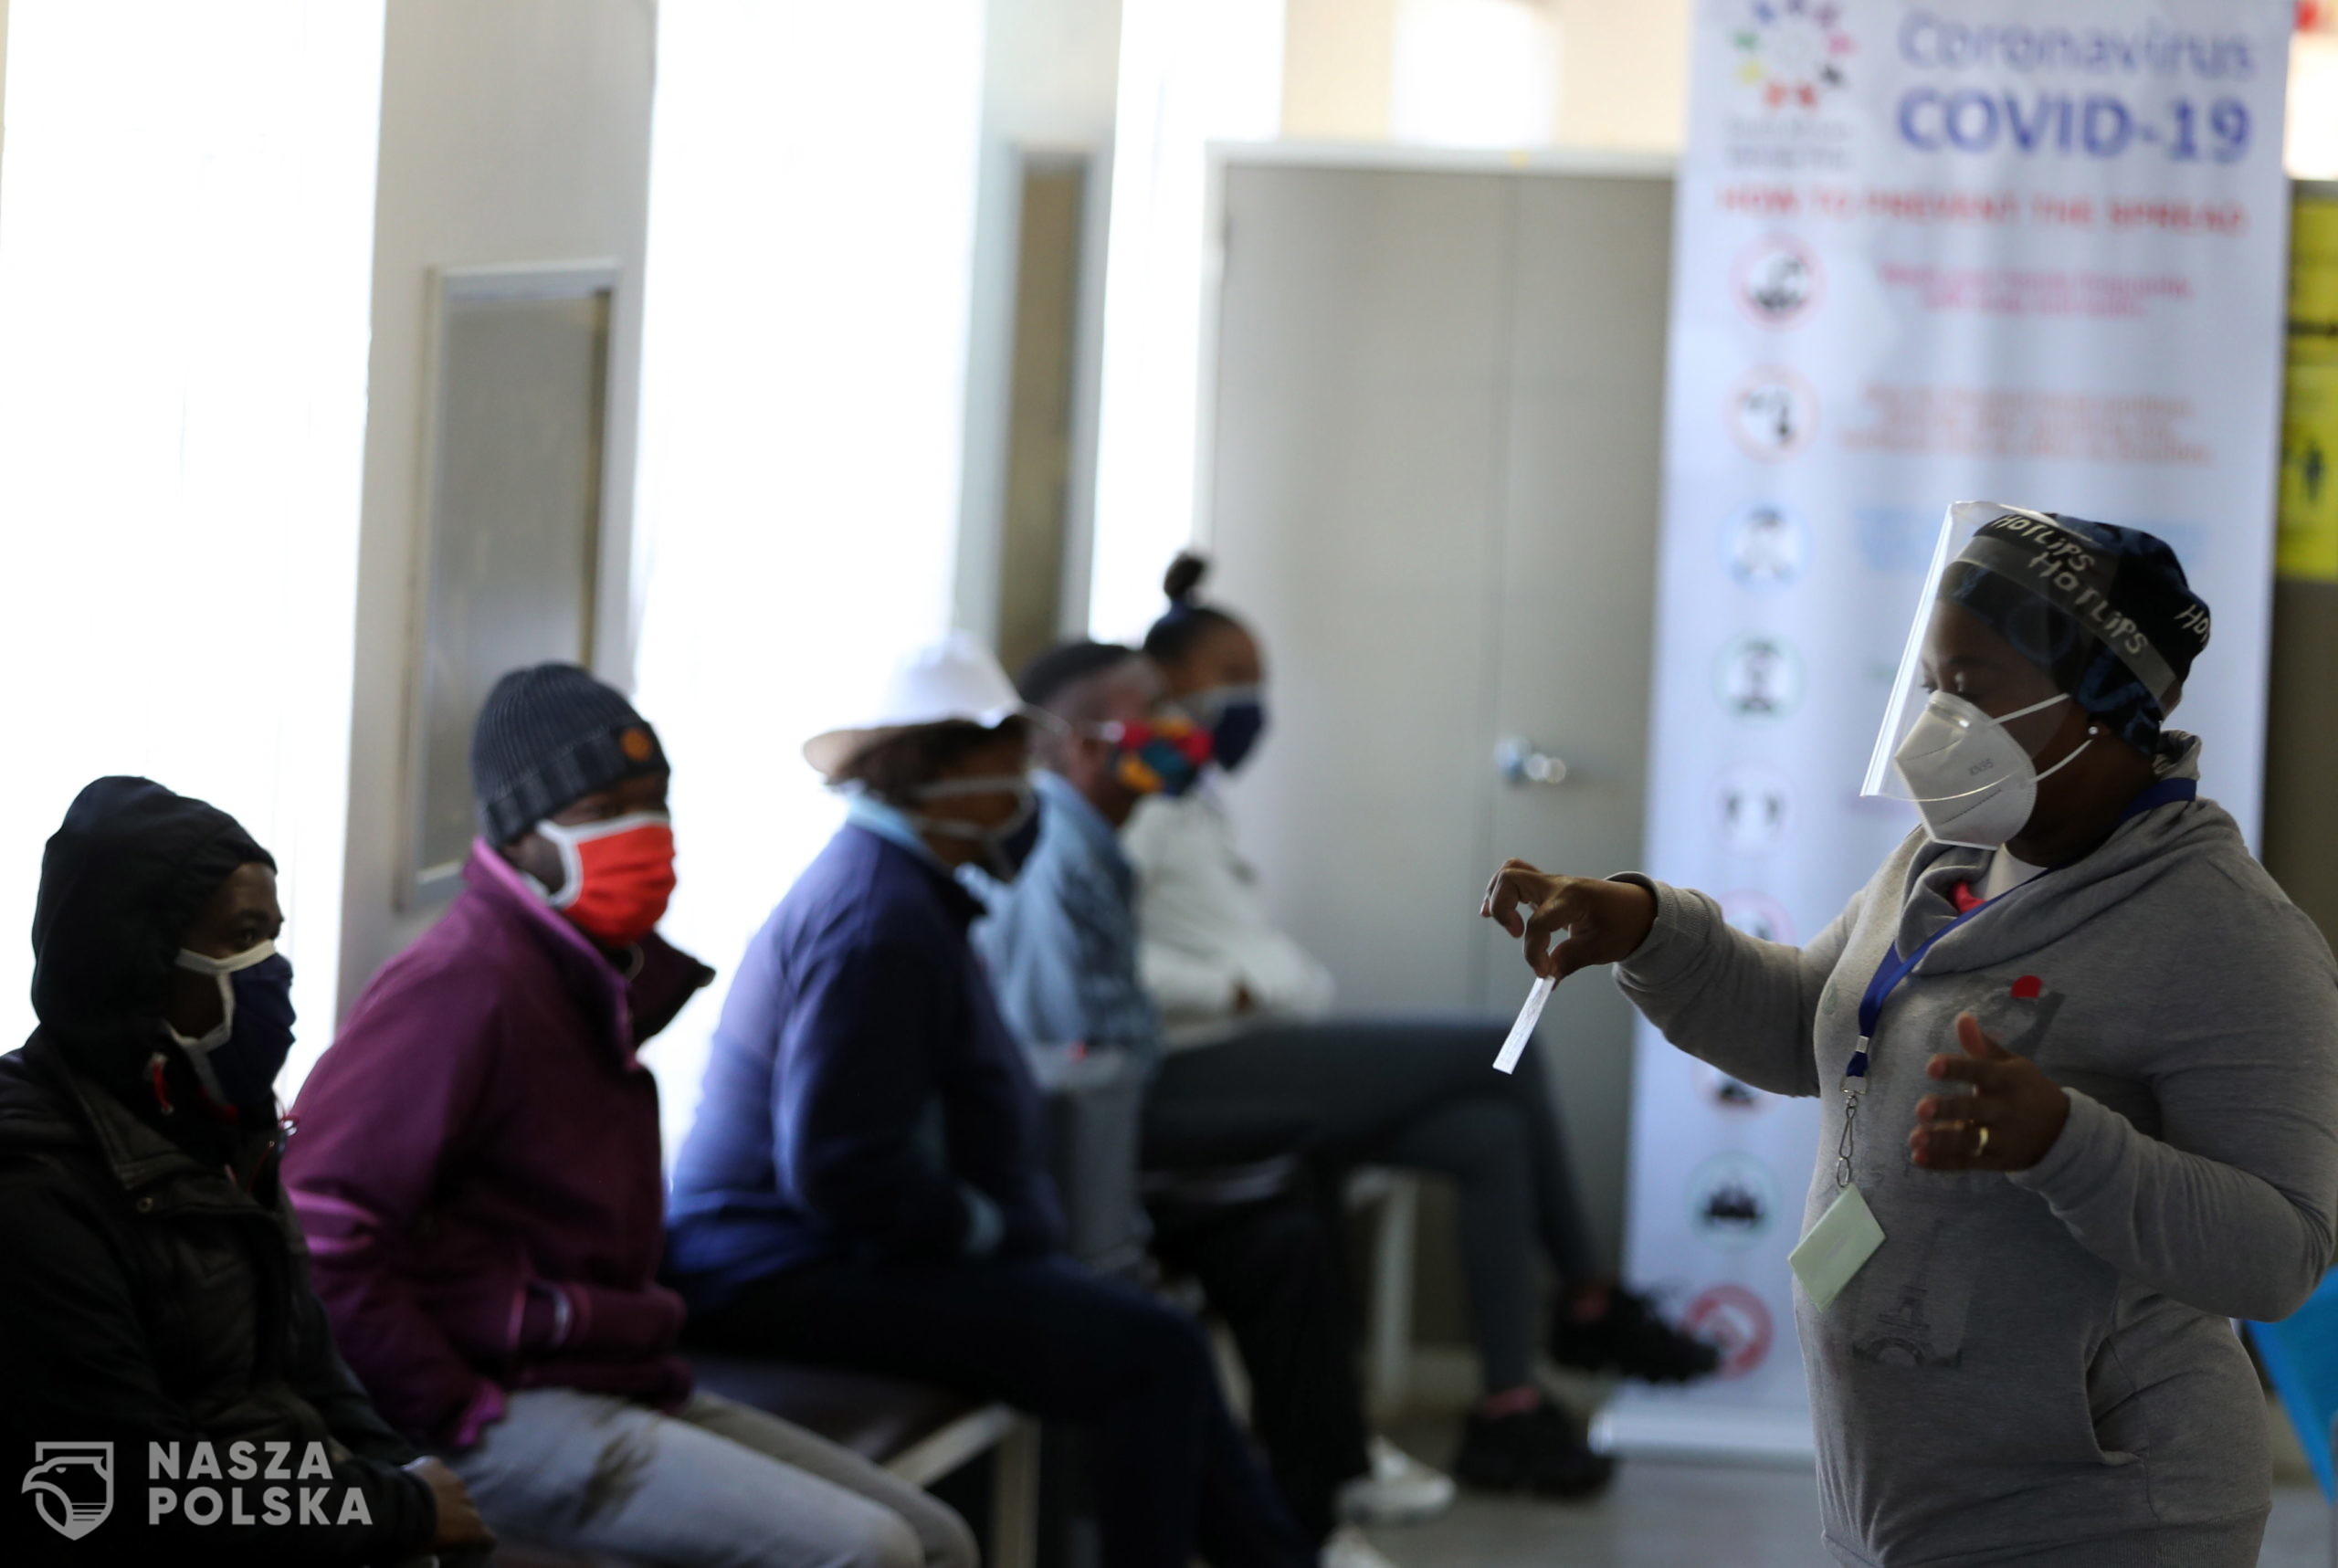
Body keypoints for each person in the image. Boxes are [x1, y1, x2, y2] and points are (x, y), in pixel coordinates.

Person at [1484, 507, 2338, 1567]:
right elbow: (1816, 1024)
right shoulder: (1955, 852)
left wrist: (2064, 1144)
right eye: (1932, 681)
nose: (1937, 719)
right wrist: (1649, 927)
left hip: (2101, 1516)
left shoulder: (2231, 935)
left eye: (1972, 688)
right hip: (1897, 1496)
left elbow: (2281, 1258)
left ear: (2104, 705)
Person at [285, 664, 975, 1568]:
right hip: (499, 1405)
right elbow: (322, 1223)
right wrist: (450, 1405)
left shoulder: (594, 978)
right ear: (521, 834)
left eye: (654, 801)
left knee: (939, 1539)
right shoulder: (462, 984)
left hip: (620, 1373)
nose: (642, 832)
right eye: (600, 808)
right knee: (872, 1552)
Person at [666, 632, 1316, 1568]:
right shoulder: (877, 923)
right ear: (937, 770)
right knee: (1152, 1355)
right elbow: (842, 1168)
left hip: (829, 1250)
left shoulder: (908, 893)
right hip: (781, 1266)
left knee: (1154, 1343)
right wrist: (984, 1229)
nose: (1026, 787)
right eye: (1006, 759)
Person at [1131, 553, 1712, 1495]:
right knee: (1500, 1046)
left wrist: (1258, 981)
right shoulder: (1132, 800)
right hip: (1199, 1070)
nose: (1250, 701)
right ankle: (1588, 1295)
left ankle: (1508, 1413)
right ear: (1167, 682)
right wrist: (1236, 990)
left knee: (1484, 1136)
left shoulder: (1191, 800)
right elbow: (1098, 962)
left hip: (1257, 1052)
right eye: (1231, 678)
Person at [974, 639, 1452, 1566]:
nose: (1179, 731)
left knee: (1282, 1220)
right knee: (1292, 1165)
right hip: (1077, 1160)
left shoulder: (1096, 842)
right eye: (1149, 715)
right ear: (1076, 743)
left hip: (1107, 1137)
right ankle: (1315, 1499)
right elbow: (1078, 1051)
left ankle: (1316, 1498)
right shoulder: (1059, 853)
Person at [0, 776, 492, 1566]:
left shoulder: (222, 1126)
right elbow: (127, 1486)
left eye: (273, 934)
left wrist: (401, 1475)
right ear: (138, 960)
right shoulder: (32, 1183)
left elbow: (315, 1374)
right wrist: (398, 1508)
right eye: (241, 937)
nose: (274, 969)